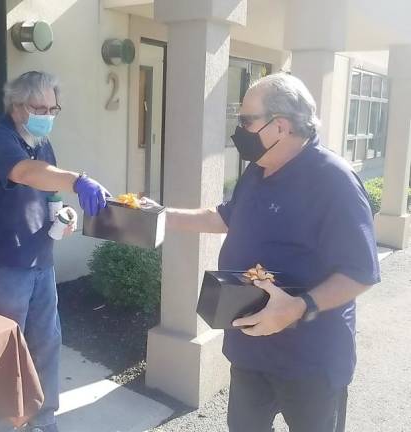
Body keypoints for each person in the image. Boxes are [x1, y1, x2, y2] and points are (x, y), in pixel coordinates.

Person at [145, 73, 380, 432]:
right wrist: (163, 216)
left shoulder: (334, 182)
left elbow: (361, 271)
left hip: (309, 362)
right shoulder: (258, 169)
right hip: (250, 349)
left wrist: (298, 308)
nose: (238, 130)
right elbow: (226, 216)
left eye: (246, 120)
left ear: (280, 126)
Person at [0, 71, 110, 432]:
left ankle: (43, 422)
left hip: (39, 258)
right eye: (40, 107)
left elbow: (47, 188)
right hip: (2, 264)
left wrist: (60, 212)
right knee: (3, 352)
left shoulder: (40, 139)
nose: (47, 115)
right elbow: (27, 173)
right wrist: (77, 180)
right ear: (17, 106)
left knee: (46, 345)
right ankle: (0, 425)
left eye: (53, 108)